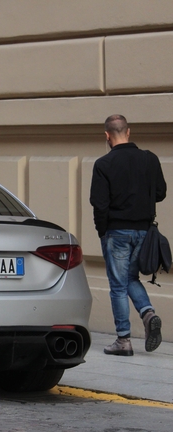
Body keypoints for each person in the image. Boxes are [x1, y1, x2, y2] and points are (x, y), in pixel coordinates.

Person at [90, 114, 166, 356]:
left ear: (107, 135)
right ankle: (148, 313)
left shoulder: (103, 164)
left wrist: (103, 231)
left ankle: (123, 340)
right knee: (130, 278)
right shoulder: (150, 159)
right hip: (144, 231)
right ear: (129, 132)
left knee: (118, 286)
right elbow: (161, 193)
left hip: (116, 232)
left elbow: (99, 204)